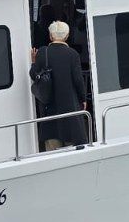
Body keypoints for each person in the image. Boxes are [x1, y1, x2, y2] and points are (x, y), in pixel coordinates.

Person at [32, 21, 89, 151]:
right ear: (67, 35)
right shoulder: (72, 54)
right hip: (69, 106)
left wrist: (33, 62)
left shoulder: (42, 52)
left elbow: (34, 75)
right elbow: (78, 80)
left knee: (52, 149)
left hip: (49, 107)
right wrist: (83, 99)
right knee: (71, 146)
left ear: (51, 36)